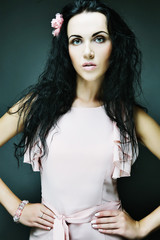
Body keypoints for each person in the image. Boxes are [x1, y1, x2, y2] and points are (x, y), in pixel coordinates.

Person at [0, 0, 160, 239]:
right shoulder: (37, 104)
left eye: (99, 38)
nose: (88, 52)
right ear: (65, 48)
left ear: (115, 45)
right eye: (76, 40)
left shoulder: (130, 116)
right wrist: (16, 208)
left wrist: (141, 227)